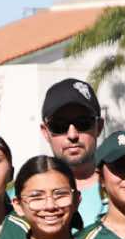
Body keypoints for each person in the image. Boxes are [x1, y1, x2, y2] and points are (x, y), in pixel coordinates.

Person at [37, 77, 107, 228]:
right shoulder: (23, 197)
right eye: (59, 125)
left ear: (99, 127)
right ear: (45, 132)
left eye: (83, 123)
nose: (72, 135)